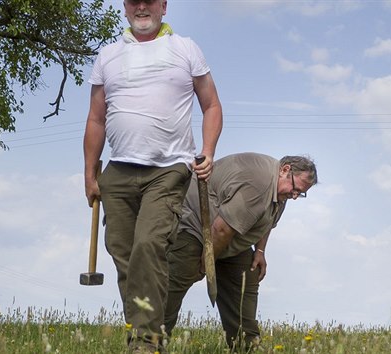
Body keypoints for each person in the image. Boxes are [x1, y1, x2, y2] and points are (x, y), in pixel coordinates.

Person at [82, 0, 222, 352]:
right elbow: (96, 119)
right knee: (125, 257)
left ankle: (146, 343)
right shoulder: (108, 56)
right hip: (118, 169)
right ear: (125, 8)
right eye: (133, 1)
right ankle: (144, 334)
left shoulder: (185, 49)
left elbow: (212, 106)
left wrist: (208, 150)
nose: (141, 7)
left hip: (169, 168)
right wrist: (90, 172)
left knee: (148, 245)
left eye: (149, 1)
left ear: (163, 6)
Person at [164, 152, 318, 351]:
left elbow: (268, 220)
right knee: (177, 280)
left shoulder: (281, 189)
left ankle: (246, 347)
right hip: (195, 224)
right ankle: (148, 342)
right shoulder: (258, 184)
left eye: (301, 193)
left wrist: (260, 250)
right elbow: (221, 229)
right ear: (285, 169)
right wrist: (206, 265)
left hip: (229, 234)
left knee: (245, 278)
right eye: (296, 189)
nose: (295, 196)